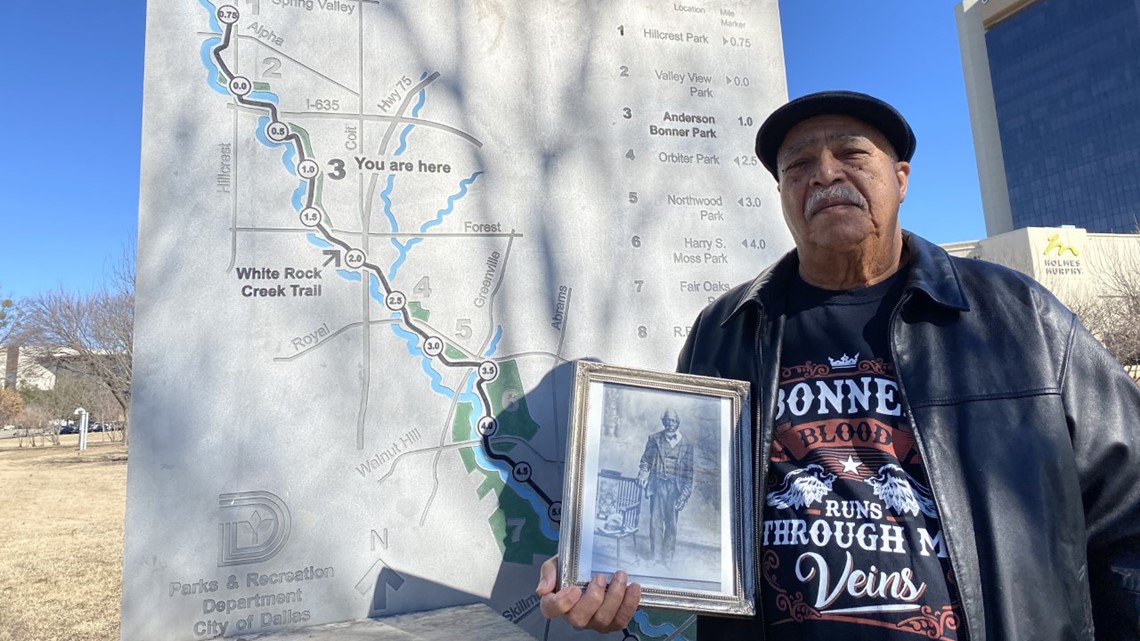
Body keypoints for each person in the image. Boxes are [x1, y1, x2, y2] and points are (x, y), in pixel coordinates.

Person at [537, 90, 1140, 639]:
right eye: (797, 166)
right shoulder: (724, 331)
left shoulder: (1020, 319)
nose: (824, 174)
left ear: (900, 179)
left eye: (852, 154)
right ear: (781, 196)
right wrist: (605, 573)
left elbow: (1128, 519)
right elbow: (696, 507)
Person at [636, 409, 694, 567]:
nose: (670, 424)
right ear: (663, 422)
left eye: (673, 421)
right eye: (667, 421)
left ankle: (667, 559)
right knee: (655, 522)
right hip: (657, 486)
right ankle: (655, 557)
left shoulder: (687, 444)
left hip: (675, 489)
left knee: (671, 524)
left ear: (678, 422)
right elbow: (646, 461)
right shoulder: (654, 439)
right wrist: (642, 475)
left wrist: (684, 496)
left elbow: (689, 473)